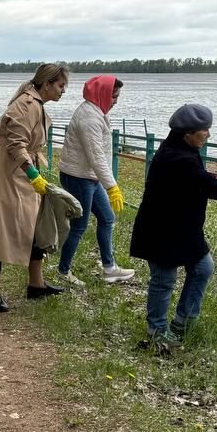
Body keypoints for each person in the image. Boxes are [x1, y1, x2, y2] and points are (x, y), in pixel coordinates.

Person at [129, 103, 217, 350]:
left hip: (183, 231)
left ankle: (183, 323)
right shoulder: (177, 158)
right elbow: (212, 187)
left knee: (203, 267)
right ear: (187, 133)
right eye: (204, 130)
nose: (208, 134)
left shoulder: (183, 149)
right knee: (163, 280)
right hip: (161, 231)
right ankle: (157, 332)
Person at [0, 63, 69, 313]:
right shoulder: (26, 105)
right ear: (47, 84)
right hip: (4, 175)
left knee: (35, 226)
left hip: (20, 174)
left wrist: (33, 174)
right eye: (61, 85)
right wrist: (33, 174)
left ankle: (36, 284)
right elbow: (16, 144)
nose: (63, 91)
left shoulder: (35, 103)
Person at [55, 75, 134, 286]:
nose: (115, 101)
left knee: (107, 218)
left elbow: (98, 157)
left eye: (117, 97)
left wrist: (106, 183)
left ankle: (109, 268)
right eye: (113, 96)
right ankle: (63, 271)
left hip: (89, 176)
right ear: (102, 94)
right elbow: (96, 156)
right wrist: (112, 187)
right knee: (79, 226)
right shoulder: (89, 118)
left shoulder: (97, 111)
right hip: (79, 178)